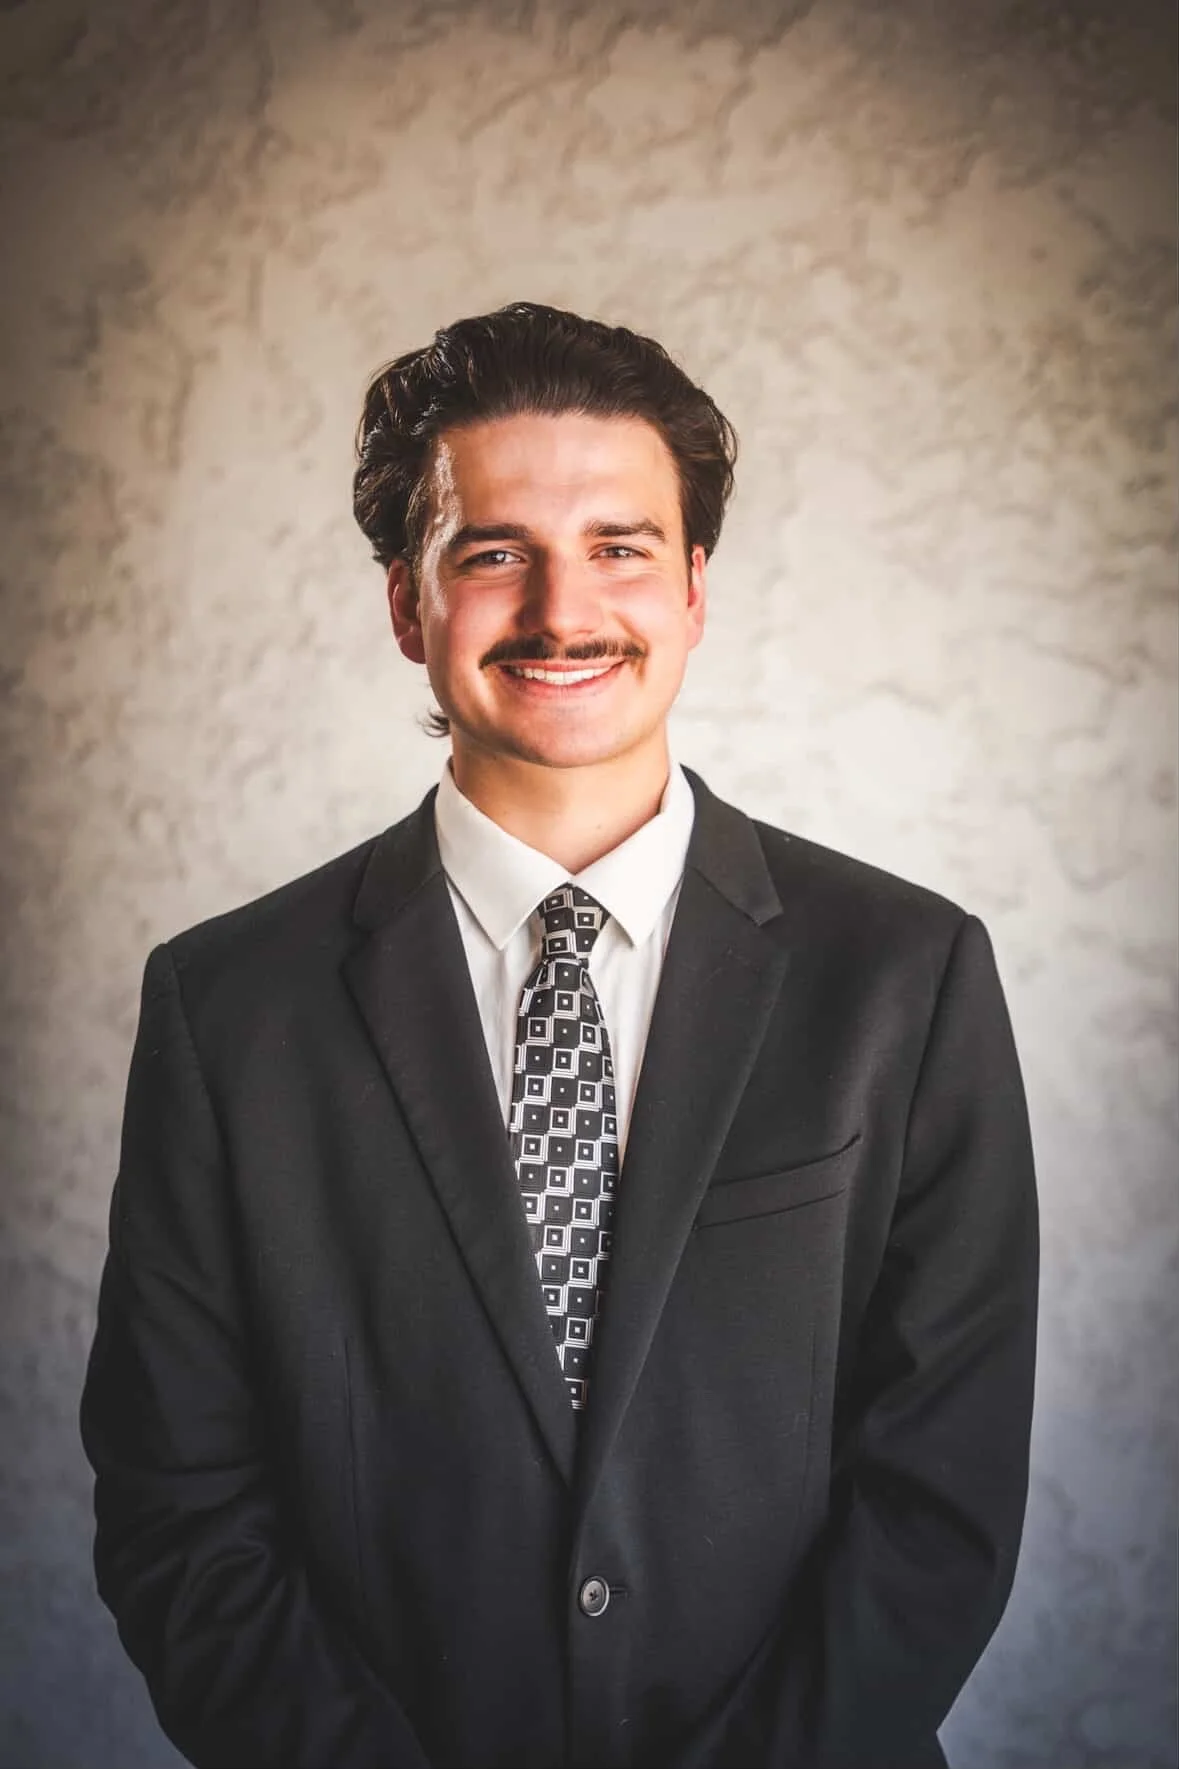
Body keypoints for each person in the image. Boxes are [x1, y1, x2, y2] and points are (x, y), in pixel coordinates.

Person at [80, 301, 1039, 1769]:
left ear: (695, 590)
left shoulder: (905, 978)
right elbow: (182, 1507)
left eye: (618, 548)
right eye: (490, 553)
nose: (561, 610)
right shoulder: (228, 1011)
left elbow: (940, 1491)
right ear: (407, 606)